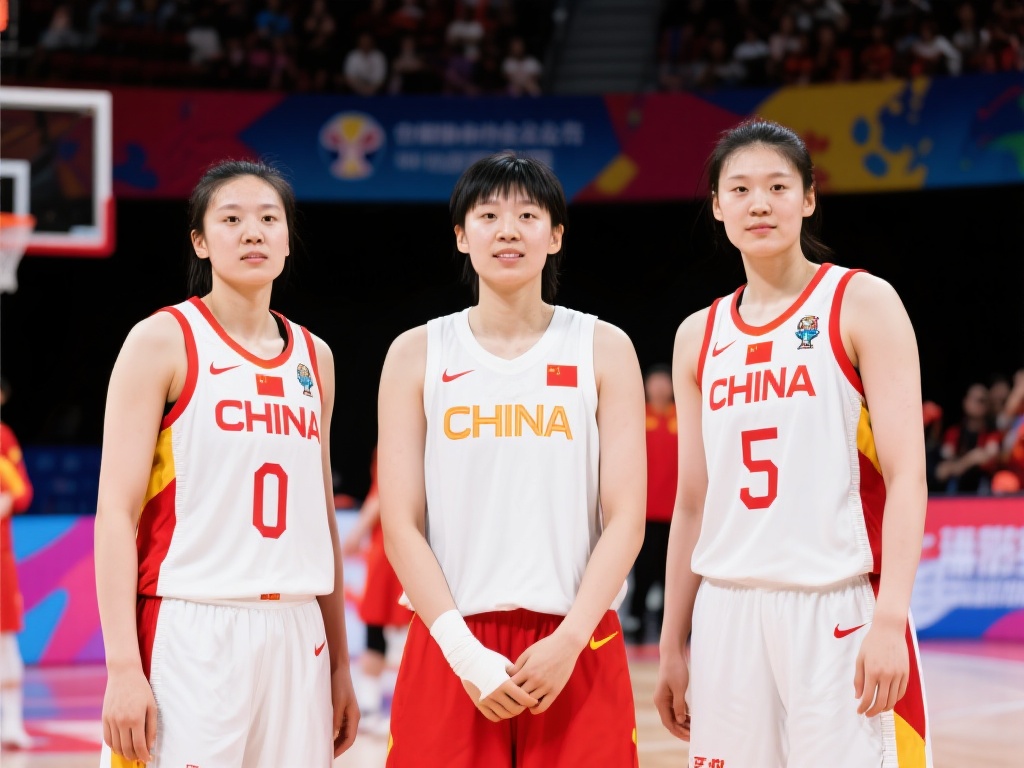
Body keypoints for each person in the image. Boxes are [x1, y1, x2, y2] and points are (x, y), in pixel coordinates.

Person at [655, 118, 932, 767]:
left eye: (778, 186)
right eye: (740, 189)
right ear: (717, 206)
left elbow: (907, 475)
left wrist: (890, 618)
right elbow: (693, 502)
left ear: (807, 198)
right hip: (727, 610)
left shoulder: (861, 301)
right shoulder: (698, 335)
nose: (759, 203)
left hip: (837, 604)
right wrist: (672, 642)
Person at [377, 151, 646, 767]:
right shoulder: (416, 353)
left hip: (576, 638)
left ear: (555, 235)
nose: (507, 230)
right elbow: (400, 524)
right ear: (461, 235)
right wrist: (464, 654)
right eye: (488, 215)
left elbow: (627, 518)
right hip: (453, 639)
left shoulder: (603, 347)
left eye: (527, 215)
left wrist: (570, 640)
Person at [94, 159, 359, 766]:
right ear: (200, 241)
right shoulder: (162, 340)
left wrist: (341, 663)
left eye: (269, 219)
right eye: (232, 219)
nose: (252, 233)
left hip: (298, 631)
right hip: (192, 628)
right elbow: (115, 514)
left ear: (287, 239)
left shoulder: (315, 357)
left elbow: (319, 519)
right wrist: (123, 668)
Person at [341, 446, 411, 733]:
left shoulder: (393, 446)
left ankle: (377, 708)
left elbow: (380, 495)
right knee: (391, 630)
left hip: (389, 546)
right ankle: (379, 708)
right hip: (405, 541)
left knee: (380, 625)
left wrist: (356, 533)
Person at [626, 364, 677, 644]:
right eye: (654, 382)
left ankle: (672, 624)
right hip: (644, 511)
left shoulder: (683, 417)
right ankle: (635, 621)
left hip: (677, 513)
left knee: (672, 572)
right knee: (643, 571)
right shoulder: (637, 415)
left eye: (664, 382)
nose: (659, 388)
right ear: (645, 385)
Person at [0, 375, 34, 749]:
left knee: (5, 639)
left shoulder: (3, 438)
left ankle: (11, 723)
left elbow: (22, 493)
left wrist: (6, 501)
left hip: (1, 558)